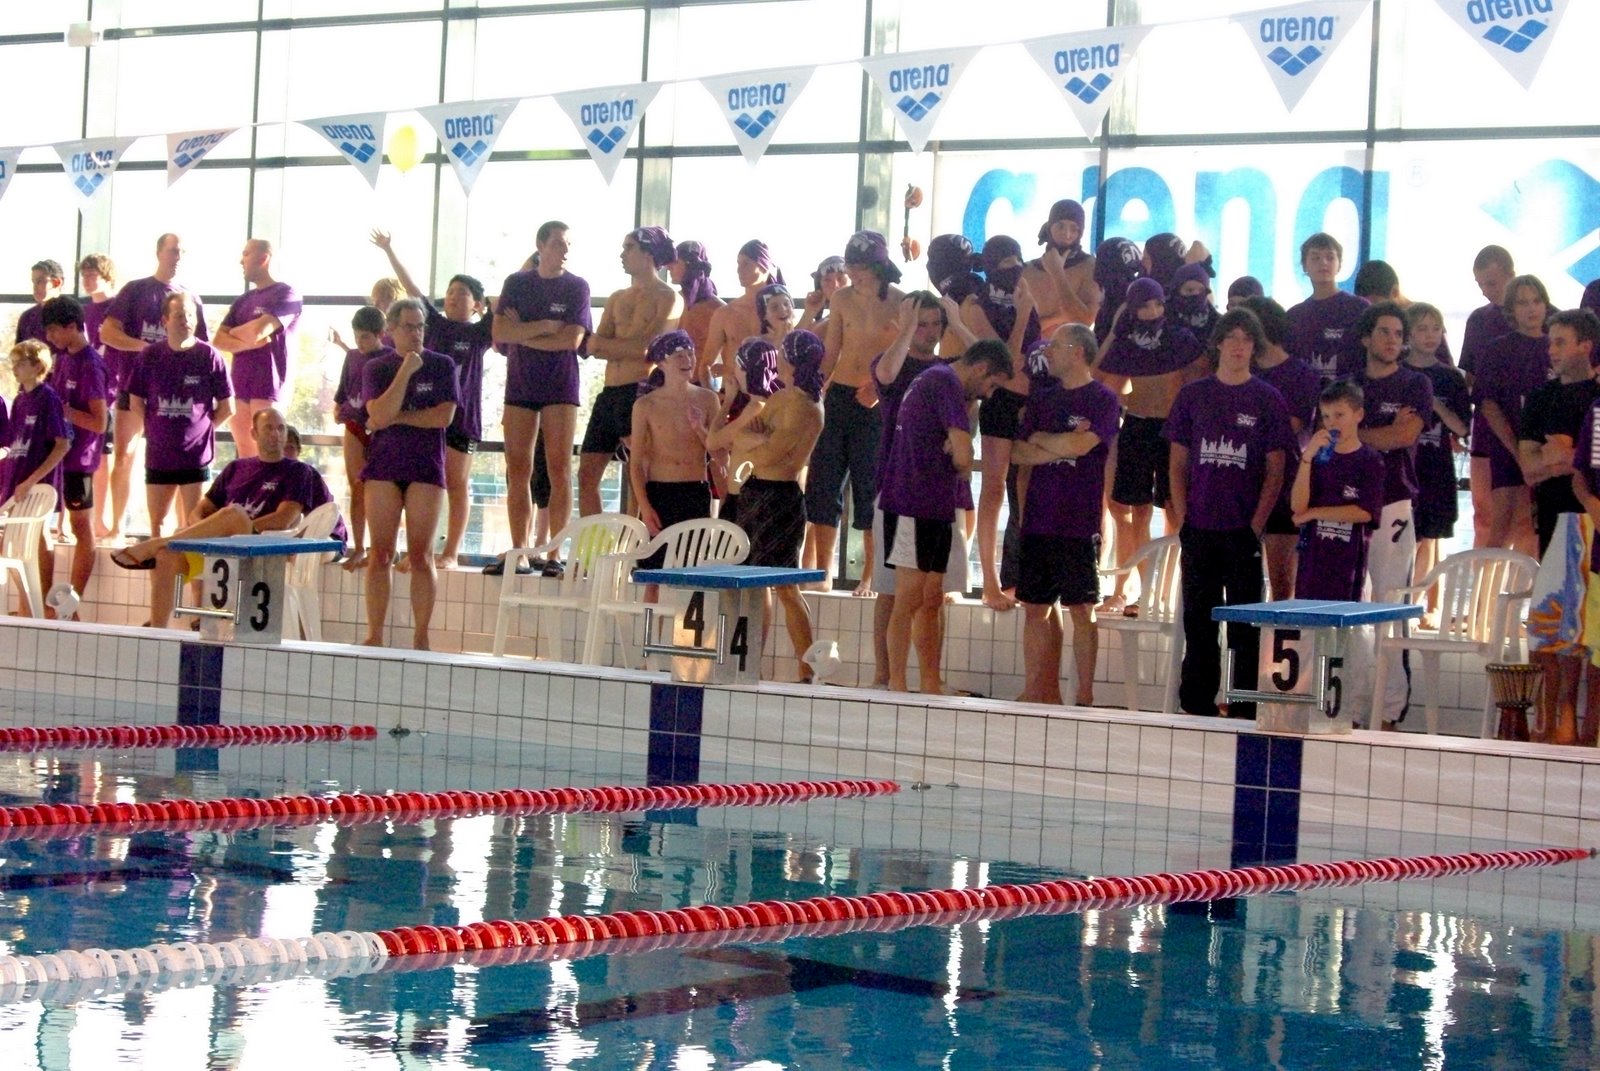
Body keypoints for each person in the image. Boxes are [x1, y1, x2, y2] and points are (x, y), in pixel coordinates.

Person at [1165, 309, 1292, 718]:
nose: (1239, 346)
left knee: (1244, 627)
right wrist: (1184, 518)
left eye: (1247, 339)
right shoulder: (1193, 396)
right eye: (1232, 337)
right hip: (1199, 527)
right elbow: (1177, 464)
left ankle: (1243, 707)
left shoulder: (1267, 399)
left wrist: (1255, 525)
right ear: (1218, 343)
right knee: (1199, 622)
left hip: (1242, 530)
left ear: (1255, 347)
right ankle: (1196, 704)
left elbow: (1276, 470)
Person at [108, 409, 330, 629]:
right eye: (268, 428)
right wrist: (207, 530)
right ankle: (157, 632)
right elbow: (198, 511)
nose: (276, 434)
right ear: (254, 434)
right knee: (166, 555)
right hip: (218, 547)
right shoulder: (236, 468)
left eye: (281, 428)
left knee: (233, 514)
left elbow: (284, 519)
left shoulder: (298, 471)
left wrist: (229, 527)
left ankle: (156, 542)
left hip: (258, 545)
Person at [882, 339, 1014, 694]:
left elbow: (960, 450)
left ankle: (929, 682)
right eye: (991, 385)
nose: (989, 394)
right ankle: (896, 684)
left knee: (931, 598)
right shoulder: (944, 382)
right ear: (981, 368)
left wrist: (960, 451)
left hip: (934, 504)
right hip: (911, 502)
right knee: (909, 597)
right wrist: (962, 457)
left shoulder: (938, 380)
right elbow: (963, 458)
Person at [866, 292, 974, 687]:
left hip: (941, 493)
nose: (929, 332)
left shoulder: (949, 370)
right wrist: (906, 327)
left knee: (934, 593)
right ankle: (885, 675)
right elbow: (886, 375)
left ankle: (932, 678)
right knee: (891, 590)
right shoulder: (893, 361)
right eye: (921, 324)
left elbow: (989, 363)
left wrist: (958, 322)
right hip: (897, 488)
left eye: (934, 325)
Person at [1010, 323, 1120, 707]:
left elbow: (1085, 445)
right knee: (1035, 609)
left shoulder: (1103, 399)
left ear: (1077, 351)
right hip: (1039, 520)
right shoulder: (1043, 400)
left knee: (1082, 610)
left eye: (1055, 346)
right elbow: (1018, 453)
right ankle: (1035, 690)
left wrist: (1045, 440)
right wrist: (1063, 445)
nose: (1047, 352)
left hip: (1079, 521)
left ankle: (1085, 695)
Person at [370, 230, 493, 567]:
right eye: (450, 292)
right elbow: (411, 288)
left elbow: (506, 300)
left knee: (456, 483)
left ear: (477, 304)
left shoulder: (479, 333)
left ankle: (451, 551)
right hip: (427, 416)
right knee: (423, 483)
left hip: (463, 418)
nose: (453, 297)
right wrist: (389, 250)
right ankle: (417, 551)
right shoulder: (434, 325)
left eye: (462, 293)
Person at [1095, 277, 1206, 615]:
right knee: (1134, 510)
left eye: (1158, 304)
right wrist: (1113, 333)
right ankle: (1139, 591)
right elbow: (1101, 383)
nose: (1153, 311)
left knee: (1175, 509)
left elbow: (1200, 381)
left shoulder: (1179, 339)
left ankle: (1168, 591)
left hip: (1173, 429)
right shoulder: (1127, 342)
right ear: (1133, 309)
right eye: (1144, 306)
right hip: (1138, 425)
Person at [1349, 300, 1433, 730]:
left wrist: (1357, 434)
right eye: (1384, 332)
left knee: (1389, 601)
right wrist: (1375, 434)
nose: (1392, 340)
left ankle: (1389, 709)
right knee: (1350, 606)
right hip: (1348, 504)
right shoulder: (1348, 386)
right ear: (1366, 337)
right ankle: (1353, 706)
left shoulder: (1415, 384)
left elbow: (1403, 436)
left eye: (1399, 334)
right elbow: (1331, 434)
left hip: (1394, 501)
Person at [489, 221, 591, 574]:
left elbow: (571, 341)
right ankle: (520, 549)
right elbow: (500, 332)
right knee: (518, 468)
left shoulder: (577, 286)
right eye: (559, 243)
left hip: (560, 386)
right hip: (521, 384)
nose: (565, 251)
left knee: (559, 468)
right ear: (541, 246)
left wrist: (522, 332)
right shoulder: (517, 283)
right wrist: (545, 327)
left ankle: (554, 553)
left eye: (568, 244)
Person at [1519, 309, 1600, 745]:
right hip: (1556, 520)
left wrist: (1563, 456)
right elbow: (1529, 469)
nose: (1551, 350)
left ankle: (1585, 729)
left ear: (1586, 345)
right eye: (1550, 342)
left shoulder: (1597, 399)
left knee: (1593, 632)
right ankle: (1553, 724)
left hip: (1593, 520)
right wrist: (1565, 458)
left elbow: (1580, 464)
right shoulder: (1540, 399)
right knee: (1551, 630)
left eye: (1561, 342)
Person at [807, 231, 905, 593]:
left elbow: (908, 357)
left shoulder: (900, 301)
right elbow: (832, 351)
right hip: (839, 397)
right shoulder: (842, 299)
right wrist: (812, 390)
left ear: (879, 267)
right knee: (824, 483)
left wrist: (880, 389)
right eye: (852, 266)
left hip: (877, 402)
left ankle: (869, 573)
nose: (855, 274)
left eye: (861, 267)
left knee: (870, 488)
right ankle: (823, 571)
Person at [726, 329, 826, 682]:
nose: (777, 360)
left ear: (792, 361)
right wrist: (759, 438)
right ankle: (748, 663)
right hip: (755, 490)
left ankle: (807, 669)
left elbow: (769, 453)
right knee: (753, 584)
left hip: (781, 498)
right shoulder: (782, 397)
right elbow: (743, 438)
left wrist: (758, 439)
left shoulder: (805, 407)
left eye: (782, 355)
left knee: (785, 585)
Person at [360, 299, 458, 650]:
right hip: (384, 467)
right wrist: (405, 371)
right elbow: (377, 414)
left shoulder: (442, 365)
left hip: (425, 467)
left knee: (421, 555)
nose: (416, 333)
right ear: (391, 330)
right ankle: (375, 635)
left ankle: (421, 636)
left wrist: (396, 417)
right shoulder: (377, 368)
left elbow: (443, 416)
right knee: (380, 554)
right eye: (409, 327)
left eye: (420, 327)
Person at [99, 234, 208, 541]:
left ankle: (184, 528)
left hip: (177, 396)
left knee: (182, 462)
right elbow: (107, 333)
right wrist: (147, 348)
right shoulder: (135, 290)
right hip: (135, 386)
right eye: (172, 250)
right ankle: (117, 525)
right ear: (159, 252)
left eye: (182, 251)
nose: (177, 256)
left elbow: (202, 348)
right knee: (125, 454)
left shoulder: (191, 299)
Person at [580, 226, 682, 518]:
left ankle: (635, 541)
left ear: (648, 253)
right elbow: (593, 346)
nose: (622, 254)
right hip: (609, 393)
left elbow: (650, 349)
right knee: (586, 476)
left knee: (639, 476)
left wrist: (610, 345)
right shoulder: (616, 298)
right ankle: (594, 544)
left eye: (629, 248)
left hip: (639, 391)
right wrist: (620, 346)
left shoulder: (668, 297)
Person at [967, 235, 1042, 611]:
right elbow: (1004, 362)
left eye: (1017, 262)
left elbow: (1035, 352)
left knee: (1026, 489)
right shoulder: (977, 304)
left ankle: (1026, 575)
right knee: (993, 487)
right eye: (1006, 264)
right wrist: (1024, 313)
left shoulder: (1026, 290)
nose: (1014, 270)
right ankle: (990, 582)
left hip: (1030, 399)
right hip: (999, 400)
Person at [125, 292, 233, 537]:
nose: (186, 321)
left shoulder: (209, 356)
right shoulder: (150, 356)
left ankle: (190, 566)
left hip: (195, 457)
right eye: (179, 316)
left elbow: (228, 407)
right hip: (159, 455)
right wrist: (153, 426)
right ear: (165, 320)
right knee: (158, 525)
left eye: (190, 316)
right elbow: (135, 401)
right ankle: (160, 563)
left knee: (194, 525)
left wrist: (203, 429)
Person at [1241, 296, 1321, 599]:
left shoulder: (1301, 374)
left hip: (1286, 481)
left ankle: (1280, 631)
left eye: (1246, 333)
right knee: (1242, 576)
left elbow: (1292, 426)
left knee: (1282, 579)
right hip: (1241, 480)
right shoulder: (1240, 371)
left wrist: (1244, 424)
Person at [1473, 274, 1553, 555]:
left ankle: (1533, 585)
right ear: (1511, 309)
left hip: (1549, 448)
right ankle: (1485, 585)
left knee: (1538, 529)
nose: (1531, 309)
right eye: (1523, 303)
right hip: (1508, 447)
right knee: (1500, 527)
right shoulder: (1498, 349)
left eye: (1536, 301)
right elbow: (1488, 404)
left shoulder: (1556, 347)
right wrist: (1518, 450)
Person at [1403, 302, 1472, 624]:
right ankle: (1402, 601)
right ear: (1408, 335)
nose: (1430, 336)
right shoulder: (1399, 373)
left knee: (1429, 537)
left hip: (1436, 467)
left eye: (1435, 329)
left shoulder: (1450, 377)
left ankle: (1414, 604)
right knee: (1406, 538)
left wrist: (1434, 405)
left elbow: (1463, 428)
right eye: (1422, 329)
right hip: (1405, 468)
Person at [39, 297, 108, 614]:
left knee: (81, 527)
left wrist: (65, 411)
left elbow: (99, 422)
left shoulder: (90, 364)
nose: (49, 337)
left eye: (53, 330)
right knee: (45, 528)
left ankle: (71, 603)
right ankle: (47, 604)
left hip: (79, 459)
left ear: (71, 326)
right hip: (58, 456)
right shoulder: (64, 358)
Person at [1290, 381, 1385, 601]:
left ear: (1358, 414)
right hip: (1313, 559)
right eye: (1326, 416)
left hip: (1348, 561)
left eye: (1339, 415)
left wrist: (1314, 513)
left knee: (1344, 617)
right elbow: (1298, 507)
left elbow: (1365, 512)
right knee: (1308, 617)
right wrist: (1307, 457)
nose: (1332, 423)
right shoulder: (1316, 459)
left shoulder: (1370, 460)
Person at [209, 239, 302, 460]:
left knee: (269, 455)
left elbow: (259, 331)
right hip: (240, 386)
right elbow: (219, 340)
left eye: (246, 254)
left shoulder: (287, 293)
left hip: (269, 385)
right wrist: (248, 343)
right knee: (246, 456)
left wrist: (237, 334)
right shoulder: (243, 301)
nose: (241, 261)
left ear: (263, 258)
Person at [628, 329, 717, 560]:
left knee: (695, 566)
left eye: (691, 354)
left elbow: (719, 454)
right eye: (679, 356)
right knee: (655, 568)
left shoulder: (708, 399)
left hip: (695, 491)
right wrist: (645, 507)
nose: (688, 360)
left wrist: (700, 429)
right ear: (662, 364)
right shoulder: (645, 405)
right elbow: (635, 464)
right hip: (660, 493)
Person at [0, 341, 70, 616]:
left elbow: (62, 444)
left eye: (20, 363)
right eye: (13, 363)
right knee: (13, 545)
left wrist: (32, 480)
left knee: (37, 536)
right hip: (17, 479)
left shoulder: (47, 398)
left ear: (37, 366)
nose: (14, 368)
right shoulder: (19, 400)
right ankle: (28, 604)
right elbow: (14, 445)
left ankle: (43, 604)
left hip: (37, 483)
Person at [1460, 245, 1518, 545]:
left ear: (1511, 275)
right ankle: (1484, 577)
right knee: (1484, 517)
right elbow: (1469, 379)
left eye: (1491, 283)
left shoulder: (1549, 318)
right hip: (1485, 434)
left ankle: (1527, 577)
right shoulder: (1479, 321)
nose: (1485, 291)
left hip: (1529, 432)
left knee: (1526, 521)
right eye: (1480, 284)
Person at [332, 305, 390, 570]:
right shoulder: (352, 356)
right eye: (356, 336)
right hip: (354, 425)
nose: (359, 342)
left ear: (380, 334)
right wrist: (338, 407)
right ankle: (359, 547)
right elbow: (343, 389)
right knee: (356, 486)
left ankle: (381, 546)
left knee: (379, 490)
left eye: (365, 337)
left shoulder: (390, 358)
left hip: (380, 428)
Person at [1285, 232, 1368, 383]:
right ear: (1304, 265)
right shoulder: (1294, 316)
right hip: (1308, 394)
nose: (1323, 263)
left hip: (1351, 394)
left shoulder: (1360, 308)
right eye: (1315, 258)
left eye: (1330, 257)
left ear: (1339, 264)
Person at [702, 239, 781, 387]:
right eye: (738, 264)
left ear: (764, 266)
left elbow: (790, 359)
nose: (739, 270)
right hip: (734, 393)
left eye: (746, 264)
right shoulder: (725, 313)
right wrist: (713, 396)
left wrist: (730, 369)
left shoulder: (782, 312)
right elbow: (706, 364)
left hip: (772, 393)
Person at [1021, 199, 1100, 334]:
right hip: (1034, 346)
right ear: (1050, 226)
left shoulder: (1089, 266)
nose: (1066, 234)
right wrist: (1060, 317)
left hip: (1073, 346)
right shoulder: (1027, 270)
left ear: (1080, 232)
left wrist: (1057, 273)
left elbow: (1084, 321)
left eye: (1074, 228)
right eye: (1060, 226)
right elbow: (1022, 328)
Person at [668, 241, 723, 367]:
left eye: (676, 262)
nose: (669, 267)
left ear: (691, 265)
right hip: (673, 376)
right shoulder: (672, 302)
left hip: (704, 377)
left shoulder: (718, 310)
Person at [14, 260, 64, 351]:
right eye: (33, 282)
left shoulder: (69, 314)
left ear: (57, 283)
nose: (35, 287)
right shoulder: (27, 317)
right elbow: (18, 355)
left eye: (40, 281)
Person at [1167, 263, 1220, 342]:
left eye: (1201, 290)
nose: (1196, 294)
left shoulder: (1218, 324)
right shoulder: (1162, 321)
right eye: (1190, 290)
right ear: (1176, 291)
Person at [798, 255, 848, 333]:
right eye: (827, 280)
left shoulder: (866, 315)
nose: (835, 285)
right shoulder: (817, 327)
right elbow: (791, 340)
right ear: (820, 288)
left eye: (840, 278)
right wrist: (809, 313)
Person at [77, 253, 116, 350]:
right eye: (83, 275)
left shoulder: (119, 307)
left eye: (91, 275)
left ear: (107, 277)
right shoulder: (83, 311)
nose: (85, 280)